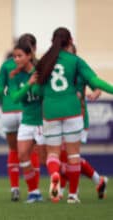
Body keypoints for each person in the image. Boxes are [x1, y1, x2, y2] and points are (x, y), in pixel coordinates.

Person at [35, 27, 113, 203]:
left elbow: (36, 90)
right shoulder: (75, 61)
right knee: (73, 155)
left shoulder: (43, 62)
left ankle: (55, 175)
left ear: (52, 42)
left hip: (51, 111)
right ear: (70, 41)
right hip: (72, 110)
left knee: (53, 154)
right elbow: (95, 81)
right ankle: (72, 195)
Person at [58, 43, 108, 199]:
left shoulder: (80, 69)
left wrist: (96, 93)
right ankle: (98, 180)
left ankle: (66, 189)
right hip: (62, 117)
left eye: (70, 53)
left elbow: (97, 85)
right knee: (66, 155)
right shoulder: (59, 70)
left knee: (69, 155)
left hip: (78, 118)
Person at [0, 33, 38, 201]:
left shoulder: (7, 66)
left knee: (14, 150)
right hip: (26, 110)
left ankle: (14, 187)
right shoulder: (35, 66)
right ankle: (33, 189)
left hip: (8, 110)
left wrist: (2, 104)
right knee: (30, 150)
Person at [8, 41, 43, 203]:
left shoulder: (41, 72)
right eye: (14, 56)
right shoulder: (15, 76)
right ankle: (34, 192)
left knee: (47, 159)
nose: (16, 59)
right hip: (27, 120)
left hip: (43, 121)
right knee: (22, 155)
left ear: (29, 56)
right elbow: (15, 98)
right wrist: (29, 85)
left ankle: (84, 182)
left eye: (19, 55)